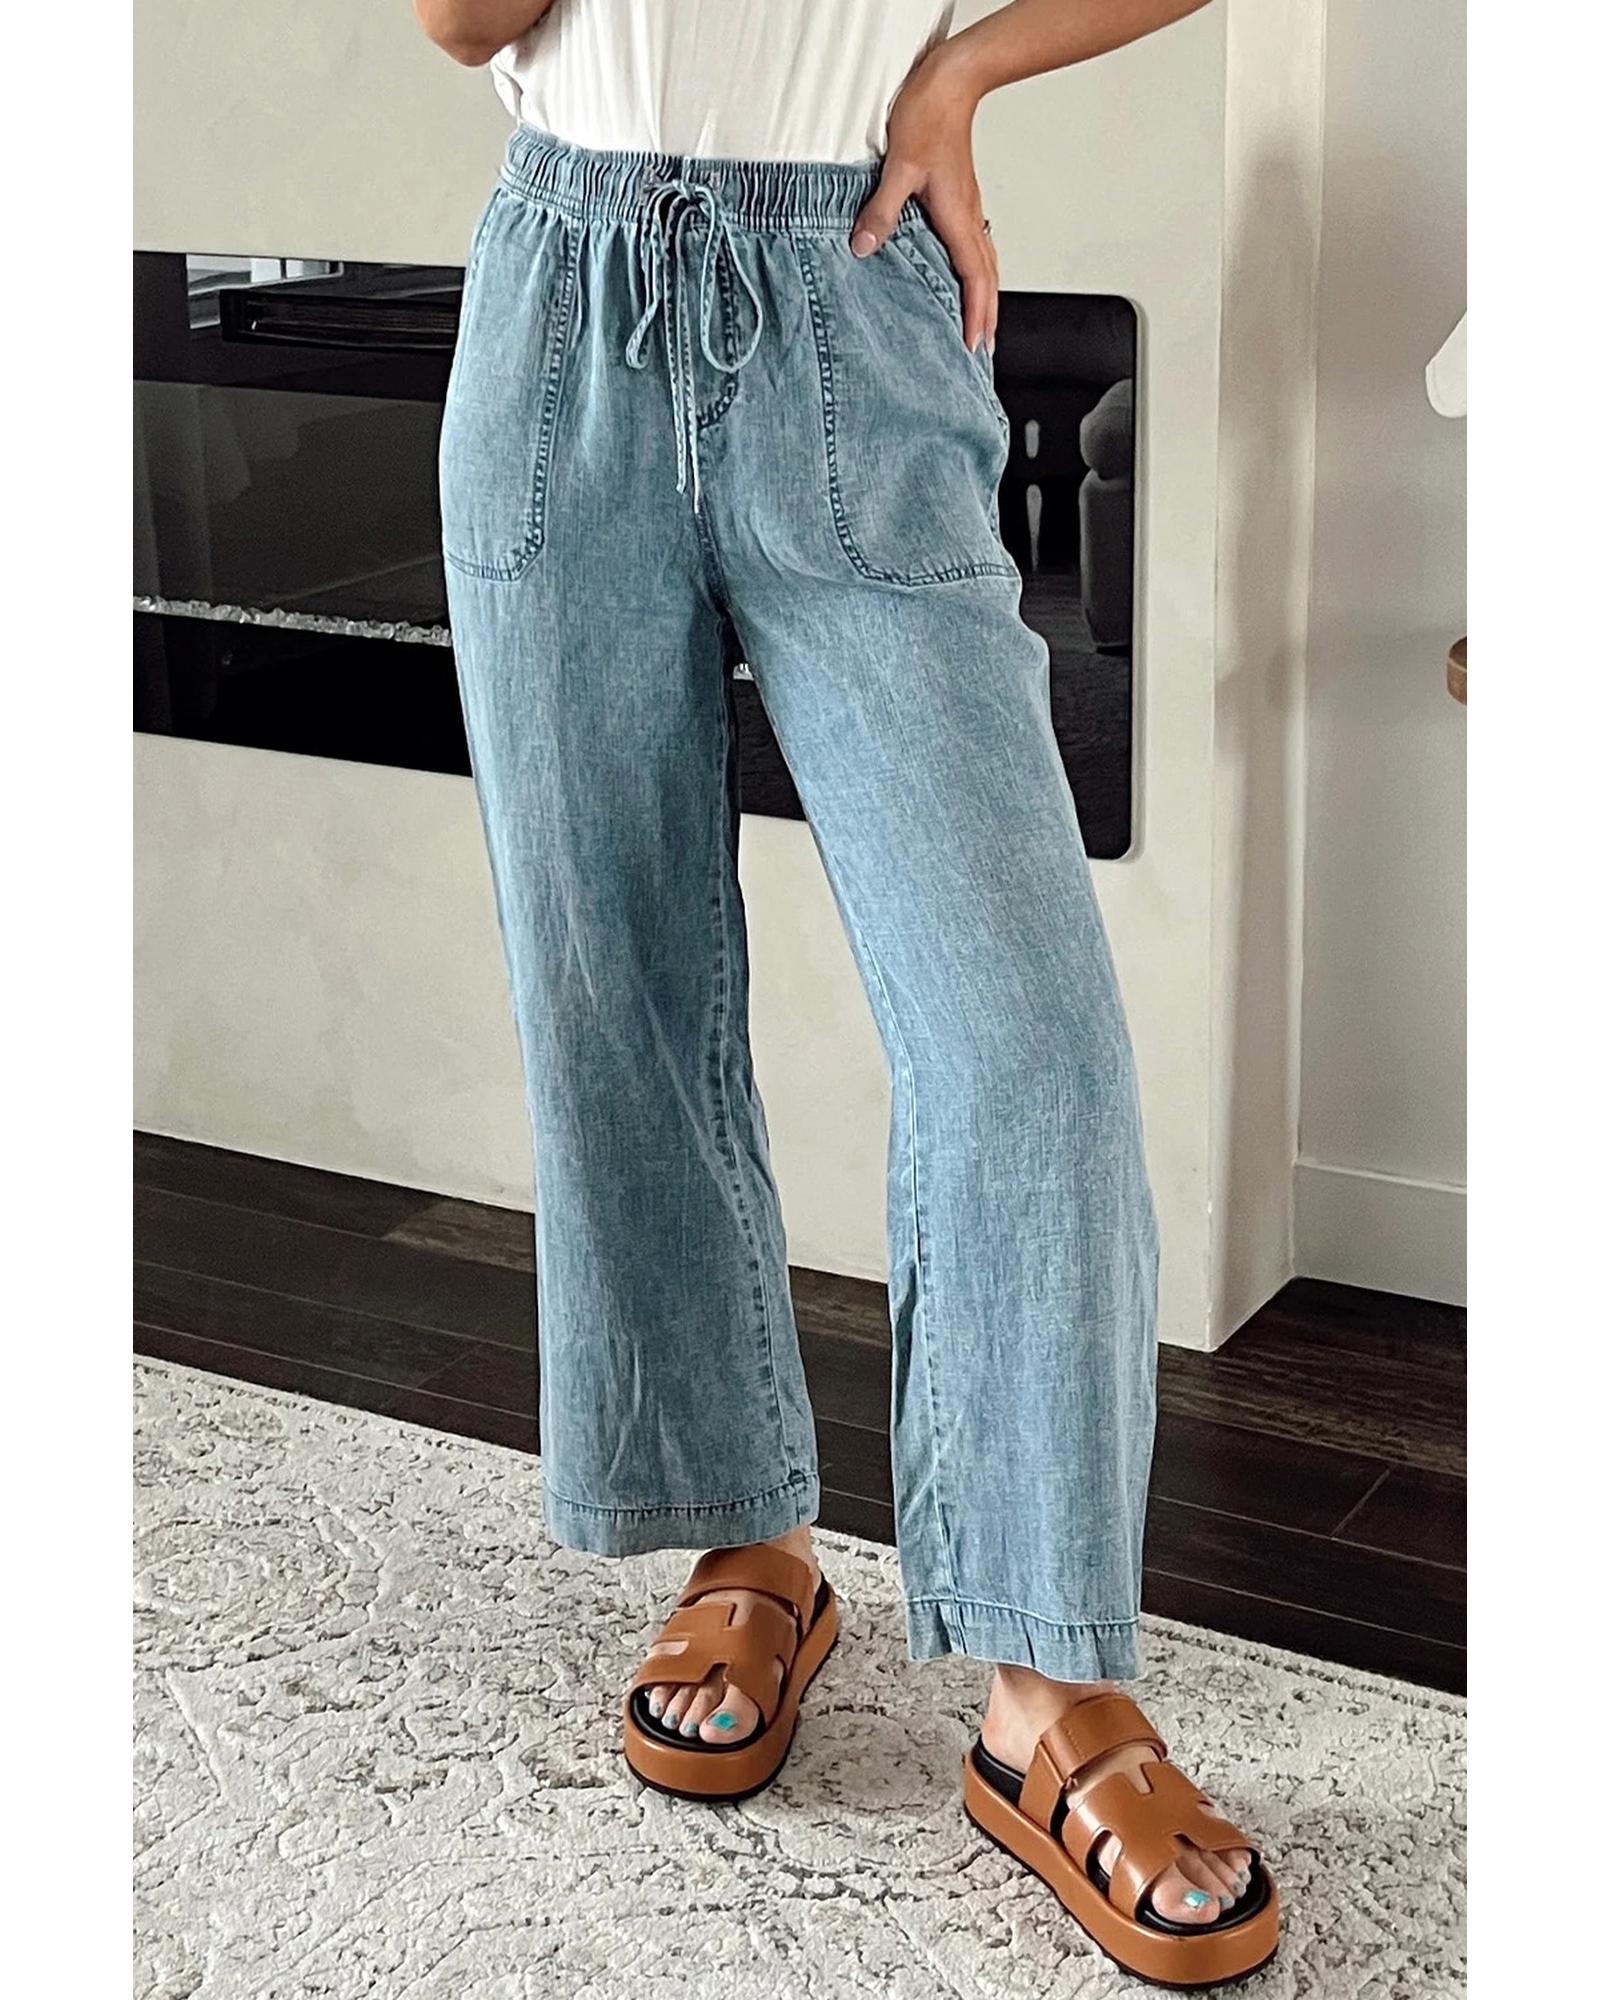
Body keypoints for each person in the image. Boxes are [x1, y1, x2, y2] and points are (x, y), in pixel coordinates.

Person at [414, 1, 1278, 1985]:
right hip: (561, 320)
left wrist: (960, 72)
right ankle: (750, 1539)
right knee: (617, 985)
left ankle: (1048, 1684)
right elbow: (466, 23)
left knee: (1022, 1039)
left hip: (851, 305)